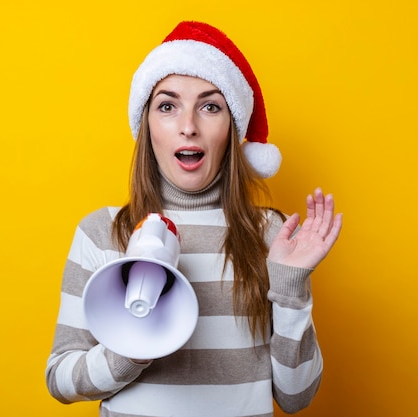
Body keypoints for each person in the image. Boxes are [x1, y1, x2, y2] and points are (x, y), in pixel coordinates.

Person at [46, 21, 343, 417]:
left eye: (210, 106)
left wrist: (291, 289)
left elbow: (296, 396)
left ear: (232, 128)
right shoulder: (103, 232)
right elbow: (60, 379)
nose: (189, 127)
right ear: (147, 124)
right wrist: (130, 347)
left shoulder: (273, 234)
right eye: (167, 106)